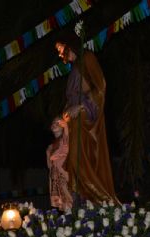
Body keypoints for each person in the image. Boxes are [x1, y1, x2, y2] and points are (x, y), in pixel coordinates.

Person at [55, 31, 117, 204]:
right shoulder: (75, 68)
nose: (60, 54)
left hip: (85, 121)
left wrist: (81, 107)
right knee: (65, 160)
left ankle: (100, 198)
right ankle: (79, 199)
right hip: (73, 122)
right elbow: (71, 99)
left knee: (78, 161)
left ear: (70, 46)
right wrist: (63, 117)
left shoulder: (88, 59)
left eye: (61, 49)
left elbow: (100, 88)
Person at [46, 117, 73, 211]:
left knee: (69, 200)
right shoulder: (52, 145)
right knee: (61, 205)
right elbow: (49, 166)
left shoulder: (64, 139)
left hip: (63, 173)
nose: (54, 124)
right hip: (54, 175)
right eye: (53, 123)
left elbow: (67, 136)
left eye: (57, 123)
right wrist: (48, 152)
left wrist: (65, 125)